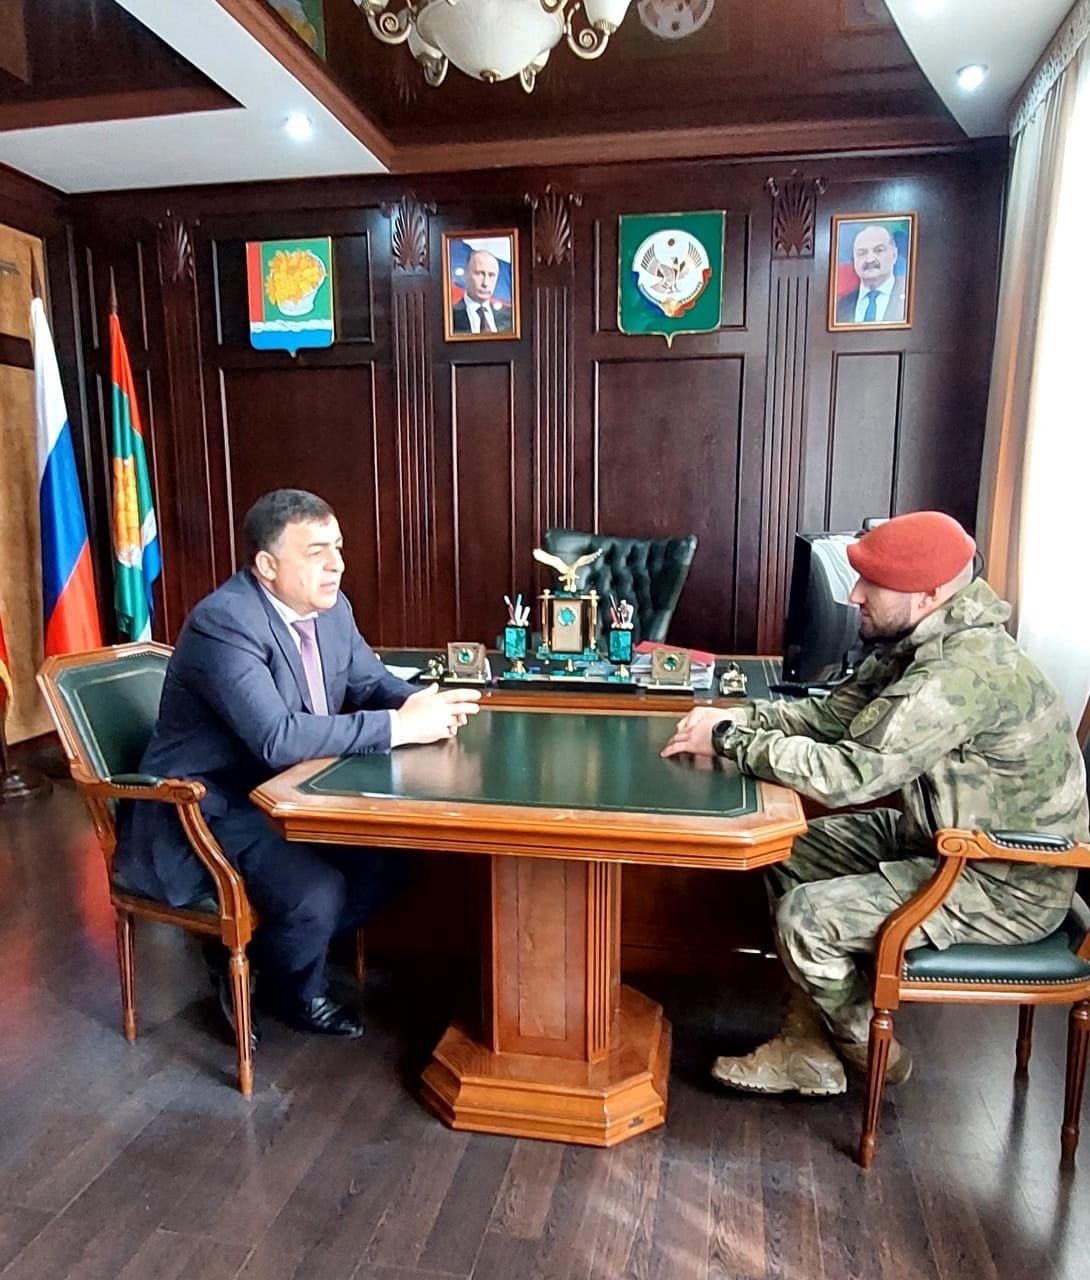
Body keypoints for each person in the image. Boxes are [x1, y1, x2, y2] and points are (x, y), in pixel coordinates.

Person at [661, 510, 1089, 1096]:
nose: (855, 594)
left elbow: (851, 775)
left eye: (873, 583)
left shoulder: (960, 673)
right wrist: (740, 717)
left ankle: (869, 1048)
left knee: (806, 920)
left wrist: (732, 742)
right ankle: (809, 1051)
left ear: (928, 593)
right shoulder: (917, 641)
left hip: (1004, 877)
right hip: (939, 839)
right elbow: (830, 717)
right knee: (788, 848)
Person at [115, 489, 482, 1040]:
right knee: (316, 893)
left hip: (294, 791)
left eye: (337, 547)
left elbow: (369, 683)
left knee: (393, 861)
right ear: (267, 566)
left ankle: (260, 959)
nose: (337, 564)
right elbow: (277, 737)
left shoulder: (332, 610)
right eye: (316, 552)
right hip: (210, 805)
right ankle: (295, 994)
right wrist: (399, 727)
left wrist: (424, 704)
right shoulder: (225, 623)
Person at [834, 224, 907, 325]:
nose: (870, 259)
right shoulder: (840, 305)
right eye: (862, 253)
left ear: (894, 255)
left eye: (879, 250)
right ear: (854, 259)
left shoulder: (909, 295)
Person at [452, 249, 513, 334]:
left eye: (491, 275)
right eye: (479, 274)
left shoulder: (510, 319)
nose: (485, 283)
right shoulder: (450, 318)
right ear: (465, 275)